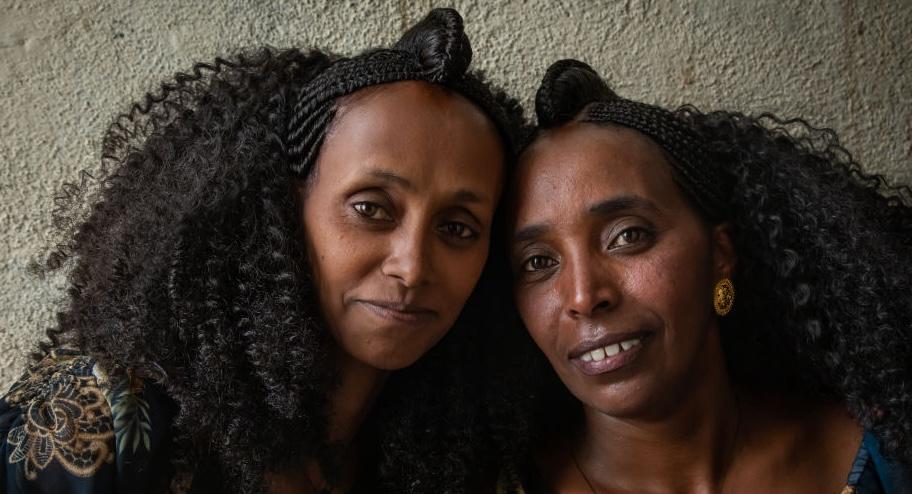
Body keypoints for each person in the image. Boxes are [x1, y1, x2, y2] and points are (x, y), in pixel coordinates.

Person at [0, 8, 524, 493]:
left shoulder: (456, 463)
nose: (412, 265)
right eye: (371, 208)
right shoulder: (95, 416)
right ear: (284, 207)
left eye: (457, 228)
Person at [503, 59, 912, 493]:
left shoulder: (901, 460)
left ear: (720, 254)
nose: (584, 295)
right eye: (538, 262)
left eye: (628, 235)